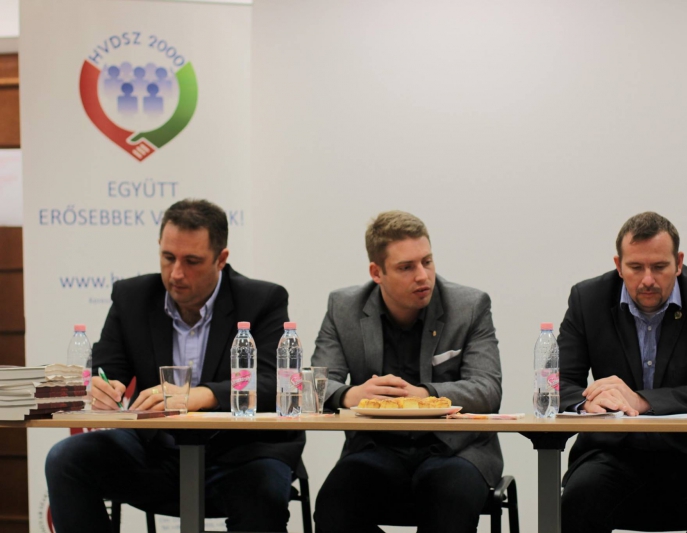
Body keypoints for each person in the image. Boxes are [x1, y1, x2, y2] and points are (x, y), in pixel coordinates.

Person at [45, 199, 305, 533]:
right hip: (156, 450)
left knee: (262, 494)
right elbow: (108, 367)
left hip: (242, 453)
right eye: (168, 258)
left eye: (192, 261)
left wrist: (200, 395)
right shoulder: (132, 297)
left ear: (221, 258)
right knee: (66, 460)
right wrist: (101, 386)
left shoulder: (262, 300)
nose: (176, 273)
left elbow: (275, 383)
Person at [557, 211, 687, 533]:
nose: (647, 280)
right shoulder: (587, 299)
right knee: (576, 502)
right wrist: (588, 403)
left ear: (678, 263)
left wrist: (642, 401)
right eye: (635, 267)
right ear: (618, 265)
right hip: (617, 453)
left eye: (659, 267)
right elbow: (555, 385)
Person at [311, 211, 503, 533]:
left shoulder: (469, 306)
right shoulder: (344, 308)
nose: (423, 276)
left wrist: (424, 396)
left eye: (427, 262)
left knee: (448, 503)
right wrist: (350, 394)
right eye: (406, 267)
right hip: (377, 448)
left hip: (454, 450)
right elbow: (315, 385)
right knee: (334, 505)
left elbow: (487, 389)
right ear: (377, 272)